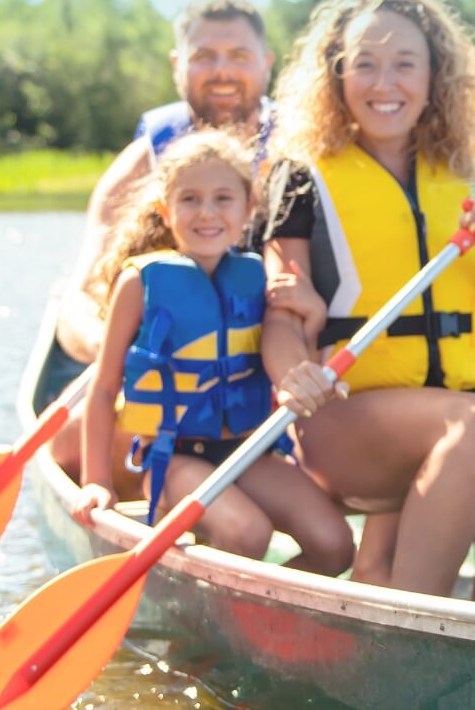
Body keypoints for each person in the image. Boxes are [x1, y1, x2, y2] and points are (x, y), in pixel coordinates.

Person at [260, 0, 475, 600]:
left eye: (404, 62)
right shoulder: (303, 179)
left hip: (452, 412)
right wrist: (295, 373)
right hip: (344, 418)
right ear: (337, 73)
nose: (384, 81)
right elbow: (282, 311)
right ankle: (422, 622)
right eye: (364, 63)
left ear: (434, 76)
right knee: (474, 420)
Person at [70, 130, 353, 574]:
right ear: (165, 210)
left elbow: (297, 370)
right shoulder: (139, 283)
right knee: (248, 532)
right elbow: (104, 389)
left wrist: (313, 317)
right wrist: (96, 482)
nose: (207, 213)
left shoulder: (257, 277)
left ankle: (267, 618)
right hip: (174, 456)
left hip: (249, 450)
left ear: (248, 210)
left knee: (335, 546)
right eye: (190, 199)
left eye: (223, 198)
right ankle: (220, 624)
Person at [47, 0, 277, 487]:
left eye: (238, 56)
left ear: (266, 64)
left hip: (260, 393)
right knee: (67, 441)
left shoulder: (297, 156)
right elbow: (78, 303)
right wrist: (124, 350)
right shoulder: (140, 164)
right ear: (178, 65)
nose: (222, 71)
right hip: (167, 398)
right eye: (203, 56)